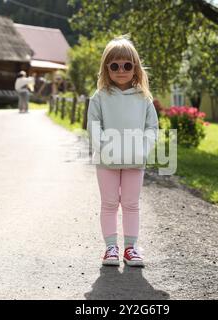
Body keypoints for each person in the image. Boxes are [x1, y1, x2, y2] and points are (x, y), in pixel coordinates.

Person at [87, 35, 159, 268]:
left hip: (134, 160)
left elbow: (152, 128)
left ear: (135, 67)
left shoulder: (144, 98)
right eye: (114, 65)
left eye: (127, 65)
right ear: (106, 68)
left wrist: (143, 149)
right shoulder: (100, 97)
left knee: (131, 204)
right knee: (109, 203)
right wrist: (104, 148)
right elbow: (94, 125)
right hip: (106, 160)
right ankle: (110, 248)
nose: (121, 70)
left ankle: (130, 248)